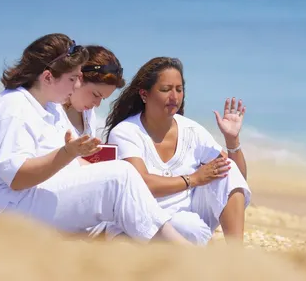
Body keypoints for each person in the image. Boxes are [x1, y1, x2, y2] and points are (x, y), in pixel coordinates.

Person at [0, 34, 190, 245]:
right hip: (9, 212)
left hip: (37, 200)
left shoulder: (50, 108)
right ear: (47, 77)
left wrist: (91, 164)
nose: (76, 85)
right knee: (120, 177)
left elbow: (72, 165)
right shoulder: (13, 109)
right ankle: (182, 253)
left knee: (120, 214)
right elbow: (18, 178)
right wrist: (68, 153)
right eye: (73, 79)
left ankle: (163, 249)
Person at [104, 57, 251, 245]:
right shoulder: (126, 132)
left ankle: (236, 255)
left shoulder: (192, 130)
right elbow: (139, 185)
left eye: (179, 89)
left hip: (189, 216)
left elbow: (236, 180)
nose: (175, 97)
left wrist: (232, 141)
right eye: (165, 90)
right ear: (144, 94)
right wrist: (194, 179)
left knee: (227, 168)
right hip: (143, 221)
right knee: (187, 227)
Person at [57, 45, 124, 165]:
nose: (97, 104)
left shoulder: (88, 114)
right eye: (95, 94)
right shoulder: (50, 108)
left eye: (102, 99)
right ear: (79, 77)